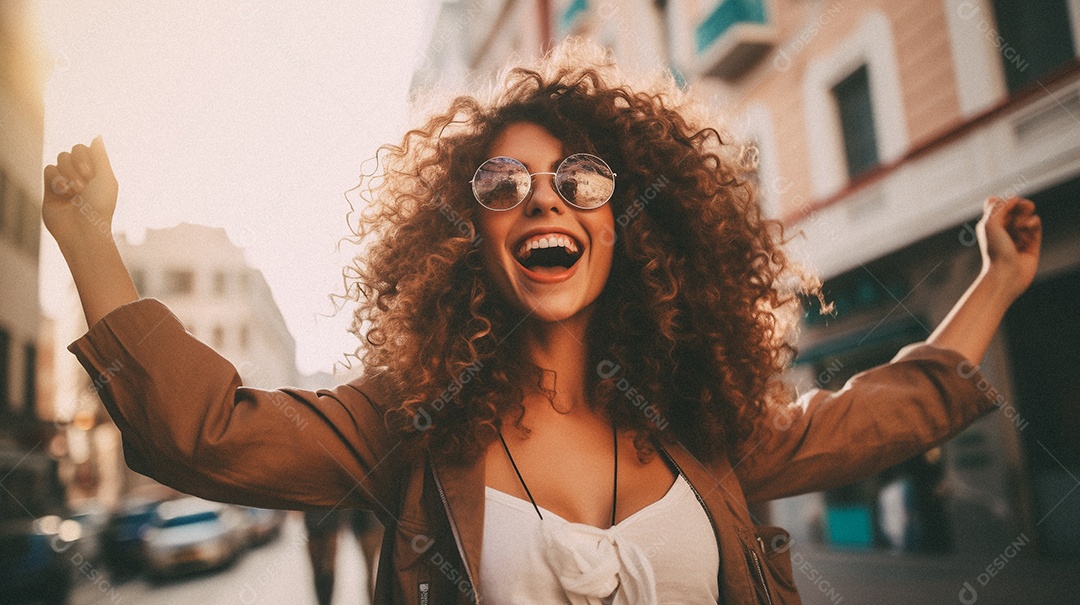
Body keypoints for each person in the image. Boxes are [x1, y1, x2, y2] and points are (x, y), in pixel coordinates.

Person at [43, 39, 1041, 604]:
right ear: (469, 237)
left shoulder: (701, 423)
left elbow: (878, 413)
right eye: (503, 184)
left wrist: (994, 279)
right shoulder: (410, 426)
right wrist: (88, 237)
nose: (545, 201)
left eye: (582, 179)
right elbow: (204, 429)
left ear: (629, 224)